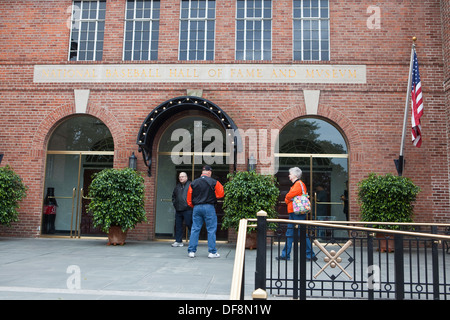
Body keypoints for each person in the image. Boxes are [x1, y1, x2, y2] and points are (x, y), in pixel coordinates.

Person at [277, 167, 316, 261]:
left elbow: (288, 196)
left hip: (297, 212)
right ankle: (286, 254)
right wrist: (288, 198)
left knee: (298, 233)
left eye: (290, 174)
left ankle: (309, 254)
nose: (289, 175)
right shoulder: (297, 184)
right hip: (294, 212)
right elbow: (289, 197)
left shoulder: (298, 184)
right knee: (291, 233)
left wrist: (287, 198)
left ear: (295, 175)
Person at [186, 165, 224, 258]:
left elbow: (189, 199)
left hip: (197, 207)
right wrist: (212, 195)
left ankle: (191, 251)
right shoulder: (214, 182)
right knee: (211, 229)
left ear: (202, 172)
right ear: (209, 172)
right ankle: (212, 252)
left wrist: (194, 206)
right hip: (209, 207)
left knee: (195, 229)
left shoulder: (193, 183)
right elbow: (221, 194)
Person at [171, 172, 192, 247]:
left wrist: (190, 205)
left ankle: (192, 241)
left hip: (188, 209)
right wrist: (175, 204)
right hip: (178, 210)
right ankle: (178, 241)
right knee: (178, 226)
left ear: (186, 177)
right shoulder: (177, 186)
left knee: (190, 225)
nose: (181, 178)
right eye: (180, 177)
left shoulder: (190, 185)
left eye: (182, 177)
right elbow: (173, 196)